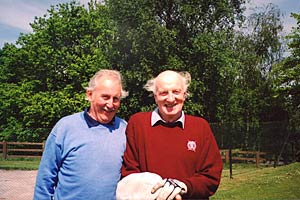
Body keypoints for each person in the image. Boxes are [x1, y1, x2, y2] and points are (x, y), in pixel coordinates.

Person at [119, 70, 223, 200]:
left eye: (176, 92)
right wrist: (154, 191)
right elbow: (130, 172)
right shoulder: (138, 123)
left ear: (184, 95)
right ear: (155, 96)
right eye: (163, 93)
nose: (170, 98)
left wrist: (183, 187)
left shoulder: (200, 127)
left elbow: (211, 176)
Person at [34, 69, 129, 200]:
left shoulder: (125, 129)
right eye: (105, 97)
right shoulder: (65, 127)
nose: (110, 104)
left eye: (116, 99)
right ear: (90, 95)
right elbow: (45, 178)